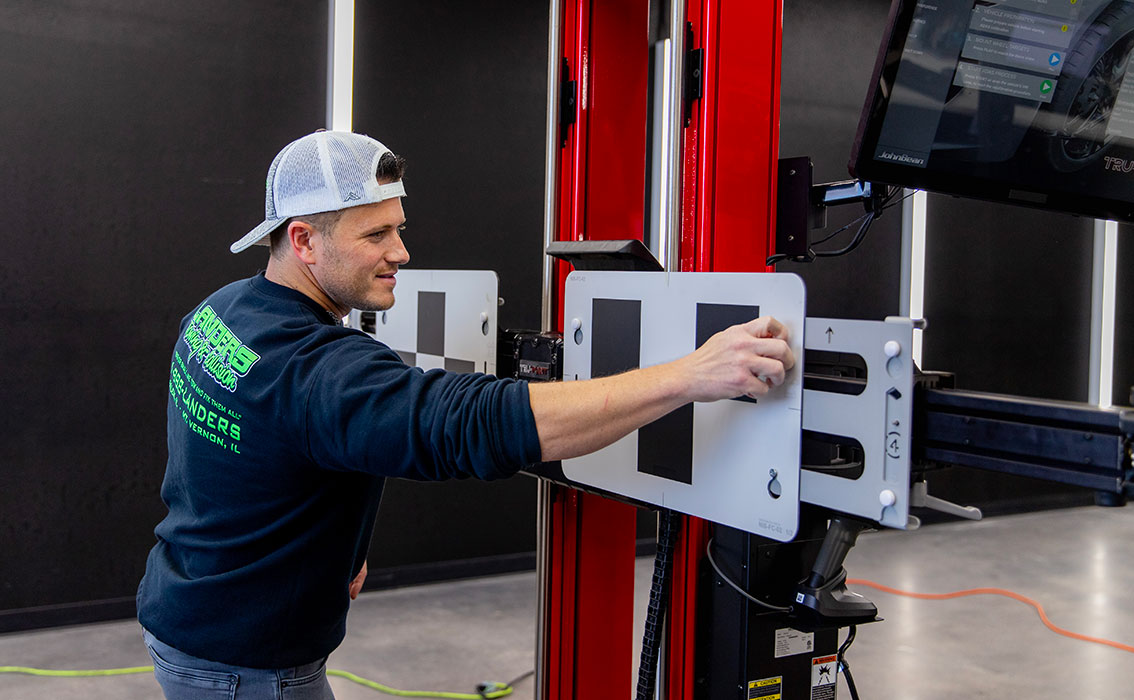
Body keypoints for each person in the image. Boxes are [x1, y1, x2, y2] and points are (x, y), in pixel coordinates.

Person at [137, 130, 795, 700]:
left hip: (191, 609)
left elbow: (234, 457)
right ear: (303, 239)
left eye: (399, 226)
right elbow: (470, 424)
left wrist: (332, 555)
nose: (401, 252)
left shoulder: (222, 313)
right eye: (376, 234)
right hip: (248, 669)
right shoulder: (316, 370)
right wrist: (689, 375)